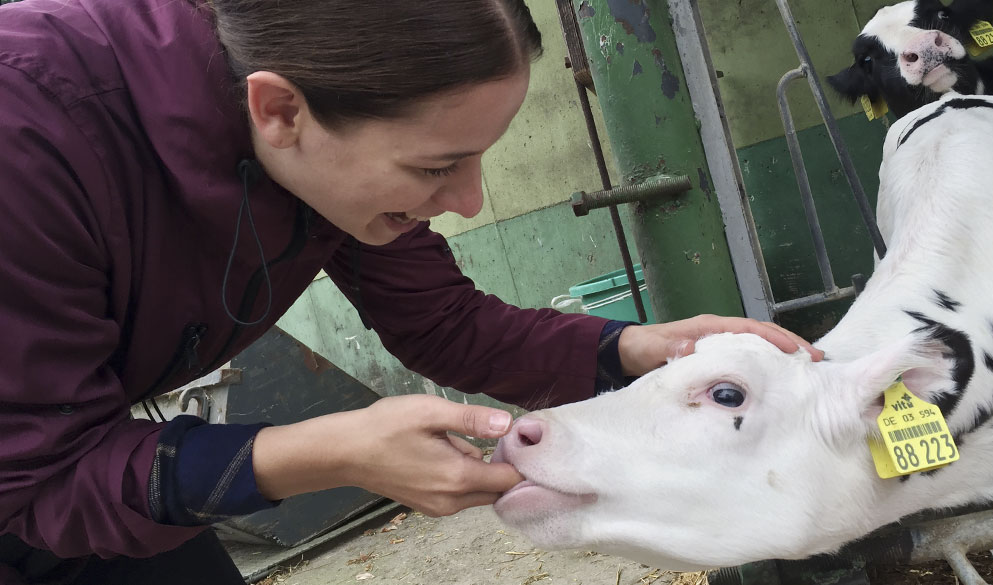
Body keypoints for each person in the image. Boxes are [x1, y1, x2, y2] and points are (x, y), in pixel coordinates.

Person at [0, 0, 821, 582]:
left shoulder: (314, 145)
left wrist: (633, 351)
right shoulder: (29, 131)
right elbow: (40, 479)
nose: (466, 203)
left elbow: (447, 324)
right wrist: (331, 453)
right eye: (435, 167)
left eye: (475, 160)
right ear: (280, 108)